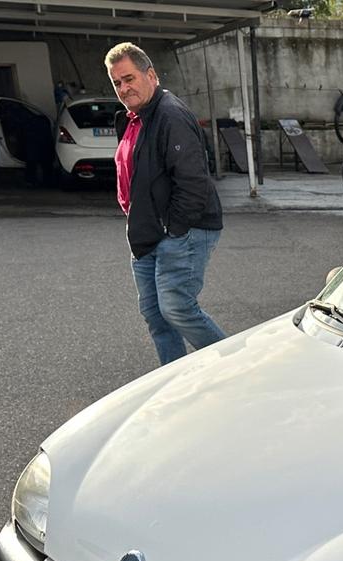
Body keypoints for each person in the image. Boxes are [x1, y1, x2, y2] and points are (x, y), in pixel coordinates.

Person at [106, 42, 226, 365]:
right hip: (148, 233)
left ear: (151, 75)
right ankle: (175, 379)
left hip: (181, 231)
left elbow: (193, 182)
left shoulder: (169, 114)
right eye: (117, 82)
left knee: (177, 308)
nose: (124, 87)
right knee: (155, 315)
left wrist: (172, 229)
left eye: (129, 78)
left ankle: (233, 366)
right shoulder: (138, 117)